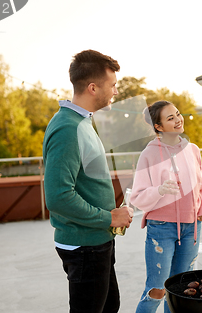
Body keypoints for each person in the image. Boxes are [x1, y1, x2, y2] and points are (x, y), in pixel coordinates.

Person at [43, 49, 134, 313]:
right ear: (93, 87)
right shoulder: (67, 128)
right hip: (84, 247)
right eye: (112, 85)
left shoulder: (81, 122)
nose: (115, 92)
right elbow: (59, 196)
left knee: (110, 305)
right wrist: (109, 218)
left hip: (96, 241)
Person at [130, 100, 202, 313]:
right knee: (157, 289)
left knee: (181, 291)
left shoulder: (193, 150)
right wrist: (160, 190)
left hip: (191, 228)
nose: (178, 120)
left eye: (177, 114)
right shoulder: (149, 154)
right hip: (161, 228)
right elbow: (137, 197)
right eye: (170, 118)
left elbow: (200, 187)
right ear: (158, 126)